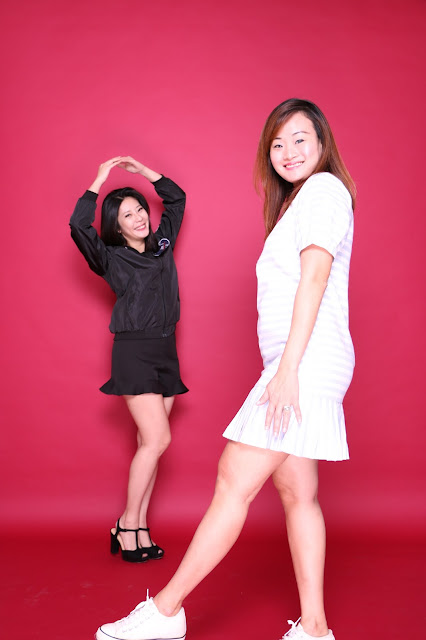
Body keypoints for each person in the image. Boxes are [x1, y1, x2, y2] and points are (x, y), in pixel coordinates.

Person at [95, 98, 356, 639]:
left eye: (300, 139)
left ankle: (166, 612)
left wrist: (287, 371)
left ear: (323, 144)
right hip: (304, 359)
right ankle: (315, 628)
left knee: (233, 479)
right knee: (297, 493)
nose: (288, 152)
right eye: (277, 144)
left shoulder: (324, 192)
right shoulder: (302, 201)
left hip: (304, 362)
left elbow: (315, 278)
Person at [70, 156, 188, 563]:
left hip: (167, 350)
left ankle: (137, 526)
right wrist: (100, 179)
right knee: (158, 440)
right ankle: (126, 524)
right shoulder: (109, 256)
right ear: (116, 226)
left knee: (147, 444)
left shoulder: (162, 243)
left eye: (140, 210)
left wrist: (144, 173)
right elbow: (78, 226)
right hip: (133, 351)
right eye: (127, 215)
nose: (138, 218)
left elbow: (176, 200)